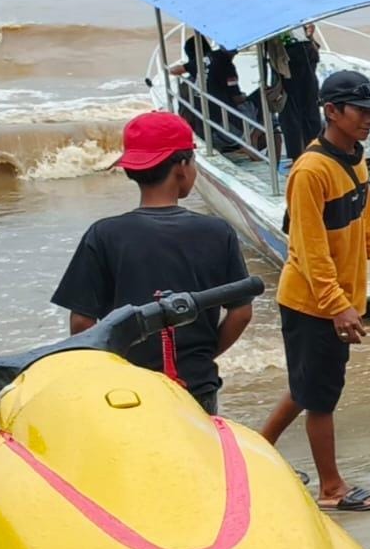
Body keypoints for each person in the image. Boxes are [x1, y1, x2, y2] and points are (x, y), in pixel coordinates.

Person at [259, 69, 370, 512]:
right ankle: (331, 488)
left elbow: (367, 215)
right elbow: (309, 249)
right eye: (361, 111)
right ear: (332, 111)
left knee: (308, 385)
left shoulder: (354, 157)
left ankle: (257, 452)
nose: (369, 119)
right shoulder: (311, 171)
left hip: (336, 298)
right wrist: (337, 305)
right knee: (320, 398)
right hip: (312, 303)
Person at [50, 111, 254, 416]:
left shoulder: (104, 234)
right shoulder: (217, 232)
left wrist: (109, 368)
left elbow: (82, 323)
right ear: (182, 167)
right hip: (195, 385)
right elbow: (241, 312)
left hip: (127, 392)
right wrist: (200, 356)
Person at [279, 24, 322, 164]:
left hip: (293, 55)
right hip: (300, 53)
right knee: (307, 111)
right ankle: (310, 155)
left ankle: (301, 157)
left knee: (292, 112)